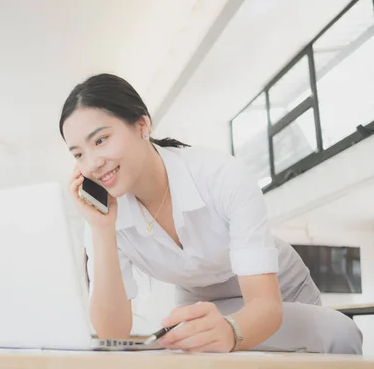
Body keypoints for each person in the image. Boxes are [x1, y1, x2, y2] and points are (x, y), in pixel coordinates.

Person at [58, 73, 363, 354]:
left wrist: (231, 331)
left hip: (276, 294)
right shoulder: (102, 215)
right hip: (202, 303)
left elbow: (266, 308)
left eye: (101, 140)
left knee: (338, 332)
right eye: (79, 154)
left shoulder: (220, 175)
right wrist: (102, 231)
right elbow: (113, 333)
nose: (93, 163)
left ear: (141, 125)